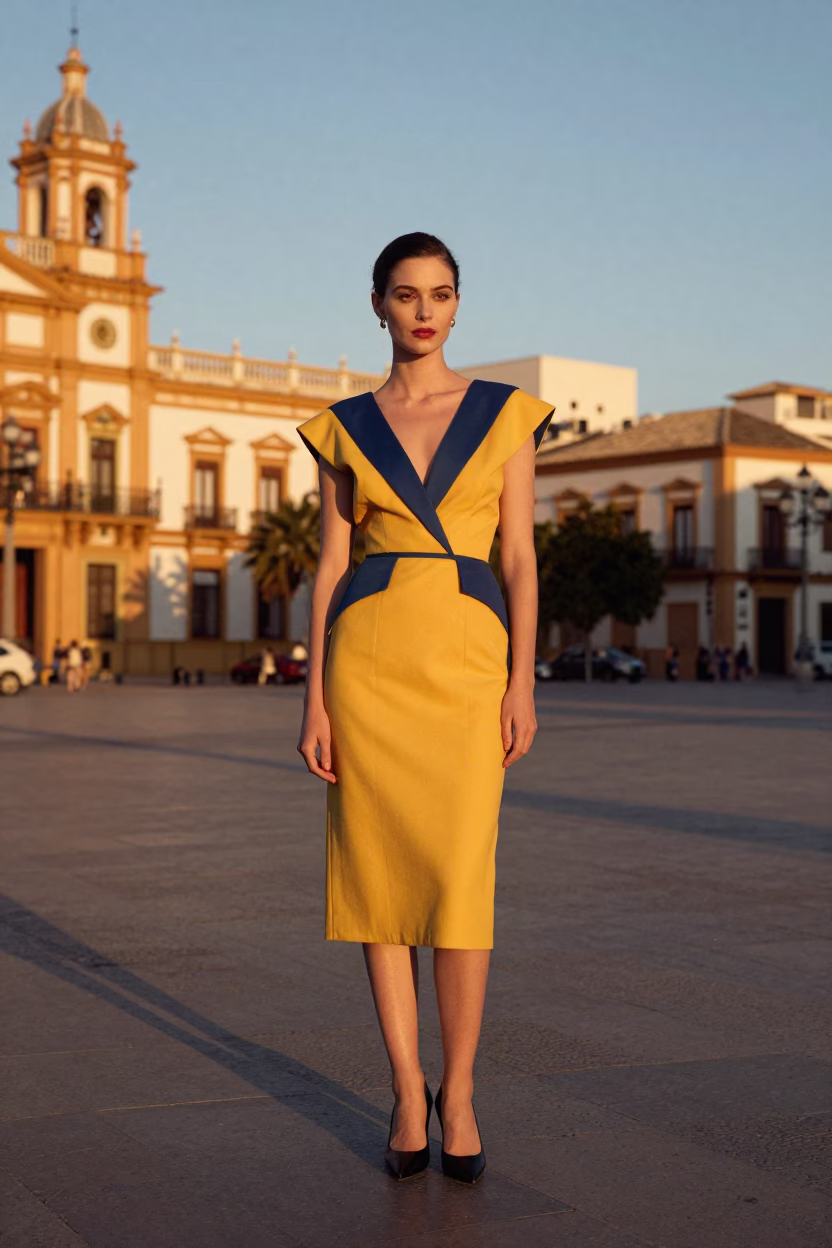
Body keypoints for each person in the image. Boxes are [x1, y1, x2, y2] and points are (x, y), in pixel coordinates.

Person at [296, 233, 552, 1185]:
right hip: (367, 666)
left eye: (440, 294)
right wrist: (314, 693)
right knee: (377, 882)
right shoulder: (343, 427)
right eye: (406, 295)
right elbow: (327, 568)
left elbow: (521, 558)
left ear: (457, 303)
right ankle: (408, 1090)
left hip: (468, 667)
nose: (424, 311)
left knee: (457, 880)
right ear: (378, 305)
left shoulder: (505, 417)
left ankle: (465, 1088)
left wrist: (524, 679)